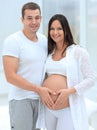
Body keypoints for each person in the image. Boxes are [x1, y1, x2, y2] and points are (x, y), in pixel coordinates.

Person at [2, 2, 54, 130]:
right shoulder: (13, 41)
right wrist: (38, 89)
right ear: (22, 19)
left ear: (41, 18)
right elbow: (10, 76)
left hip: (41, 101)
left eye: (37, 17)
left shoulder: (43, 40)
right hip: (21, 100)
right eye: (29, 18)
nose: (34, 22)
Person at [42, 14, 96, 130]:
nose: (55, 32)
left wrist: (69, 91)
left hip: (68, 108)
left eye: (59, 28)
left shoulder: (78, 52)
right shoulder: (48, 53)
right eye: (52, 29)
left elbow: (91, 79)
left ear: (66, 30)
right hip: (48, 108)